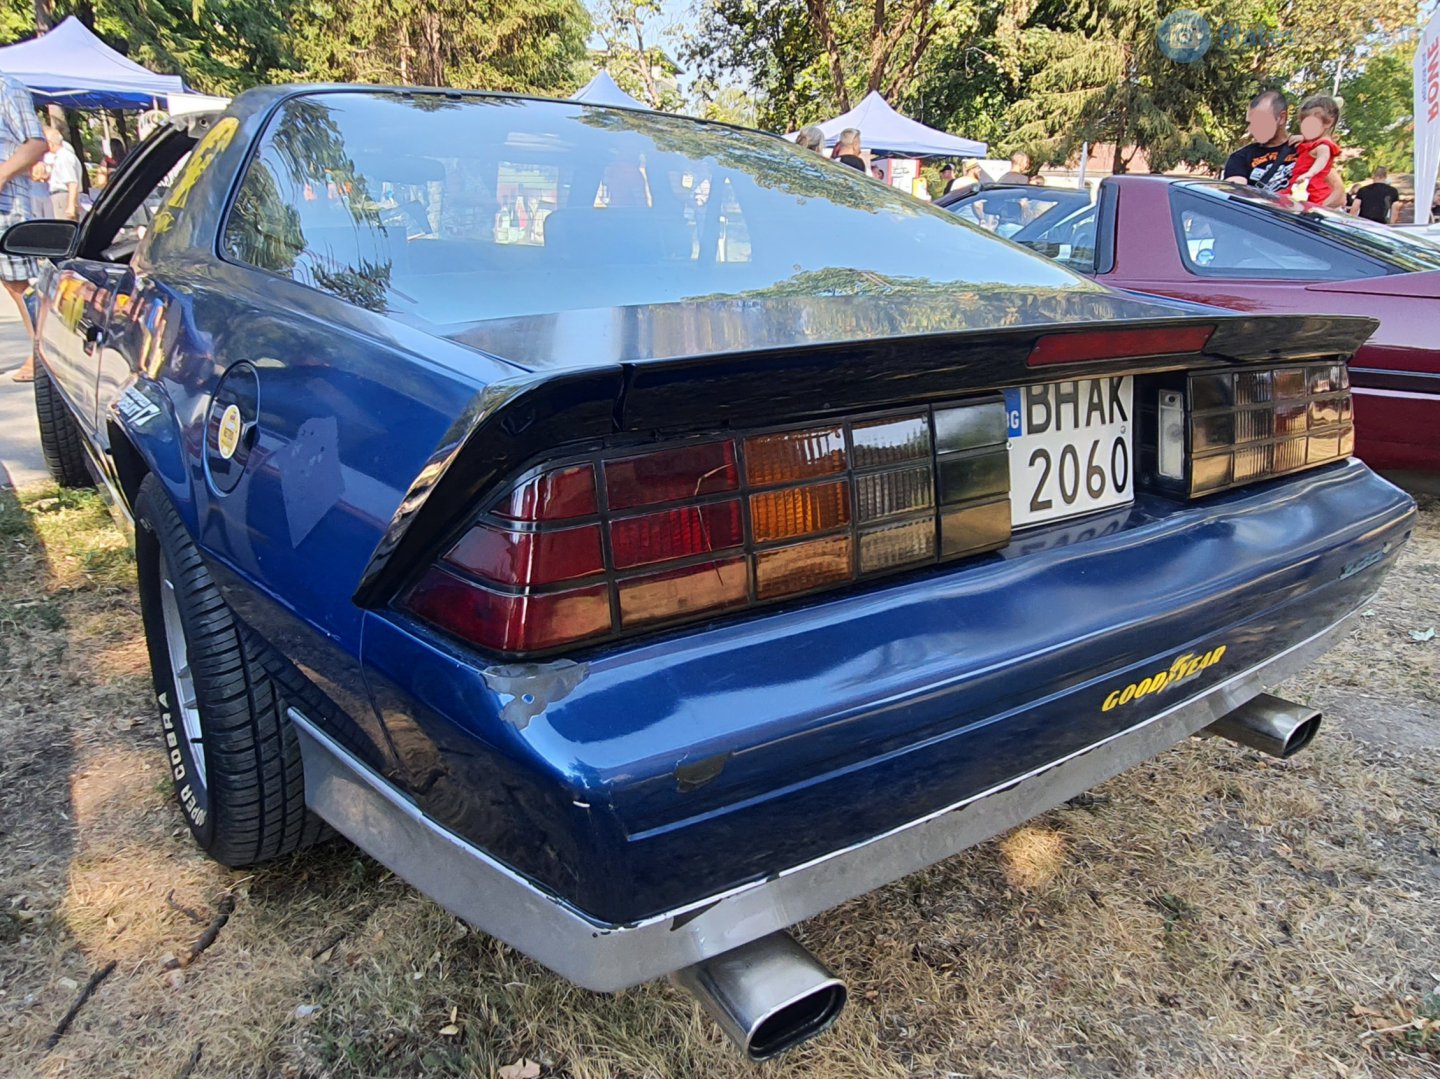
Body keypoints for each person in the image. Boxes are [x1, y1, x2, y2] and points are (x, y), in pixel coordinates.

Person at [0, 73, 47, 382]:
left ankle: (40, 356)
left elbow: (36, 143)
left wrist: (2, 175)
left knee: (19, 284)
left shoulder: (7, 87)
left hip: (7, 207)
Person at [1223, 90, 1343, 208]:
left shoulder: (1307, 149)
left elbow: (1338, 196)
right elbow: (1236, 196)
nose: (1252, 129)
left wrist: (1314, 209)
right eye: (1250, 123)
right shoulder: (1240, 157)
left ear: (1281, 118)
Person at [1282, 95, 1341, 206]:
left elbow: (1322, 160)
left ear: (1328, 123)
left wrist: (1310, 173)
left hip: (1310, 190)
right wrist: (1303, 138)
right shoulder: (1313, 143)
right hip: (1300, 186)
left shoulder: (1323, 146)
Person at [43, 125, 82, 221]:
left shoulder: (63, 158)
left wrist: (71, 205)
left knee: (63, 228)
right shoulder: (62, 156)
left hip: (63, 197)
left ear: (50, 143)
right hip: (62, 197)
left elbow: (72, 182)